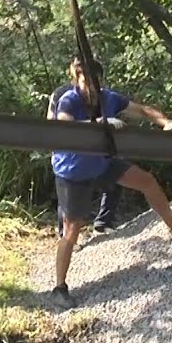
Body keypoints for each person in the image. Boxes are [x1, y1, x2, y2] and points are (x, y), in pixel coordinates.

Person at [50, 57, 172, 309]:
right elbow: (64, 126)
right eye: (84, 81)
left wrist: (167, 122)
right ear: (76, 81)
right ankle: (59, 287)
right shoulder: (70, 99)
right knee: (71, 230)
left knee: (147, 180)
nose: (90, 87)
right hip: (73, 171)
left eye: (94, 82)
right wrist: (100, 123)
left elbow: (143, 110)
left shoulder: (108, 97)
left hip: (101, 163)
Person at [47, 66, 121, 233]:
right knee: (67, 194)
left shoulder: (102, 94)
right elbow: (54, 122)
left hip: (96, 149)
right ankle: (64, 233)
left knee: (116, 175)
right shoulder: (62, 94)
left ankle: (103, 222)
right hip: (70, 152)